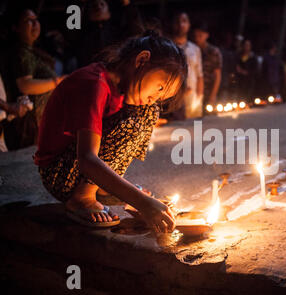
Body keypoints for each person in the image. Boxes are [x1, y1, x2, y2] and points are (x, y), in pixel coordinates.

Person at [34, 31, 187, 230]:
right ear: (142, 60)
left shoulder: (122, 90)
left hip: (77, 168)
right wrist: (143, 203)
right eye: (159, 88)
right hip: (59, 174)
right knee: (134, 120)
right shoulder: (94, 83)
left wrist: (134, 196)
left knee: (148, 111)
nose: (156, 98)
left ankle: (101, 189)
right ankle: (83, 197)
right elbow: (87, 159)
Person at [5, 6, 66, 150]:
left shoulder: (31, 50)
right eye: (28, 21)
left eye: (36, 20)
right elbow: (25, 85)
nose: (34, 24)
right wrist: (58, 82)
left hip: (40, 122)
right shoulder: (21, 52)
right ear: (16, 28)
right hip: (31, 123)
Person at [171, 12, 203, 119]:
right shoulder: (167, 47)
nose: (181, 25)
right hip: (173, 99)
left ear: (189, 25)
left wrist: (199, 96)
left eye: (184, 21)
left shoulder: (195, 49)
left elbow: (199, 74)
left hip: (192, 97)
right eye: (177, 22)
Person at [192, 22, 222, 108]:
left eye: (200, 35)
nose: (197, 38)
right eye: (195, 36)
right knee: (194, 117)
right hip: (193, 91)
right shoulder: (191, 50)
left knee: (204, 118)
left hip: (208, 91)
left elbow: (218, 76)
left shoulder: (213, 52)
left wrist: (213, 95)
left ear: (207, 35)